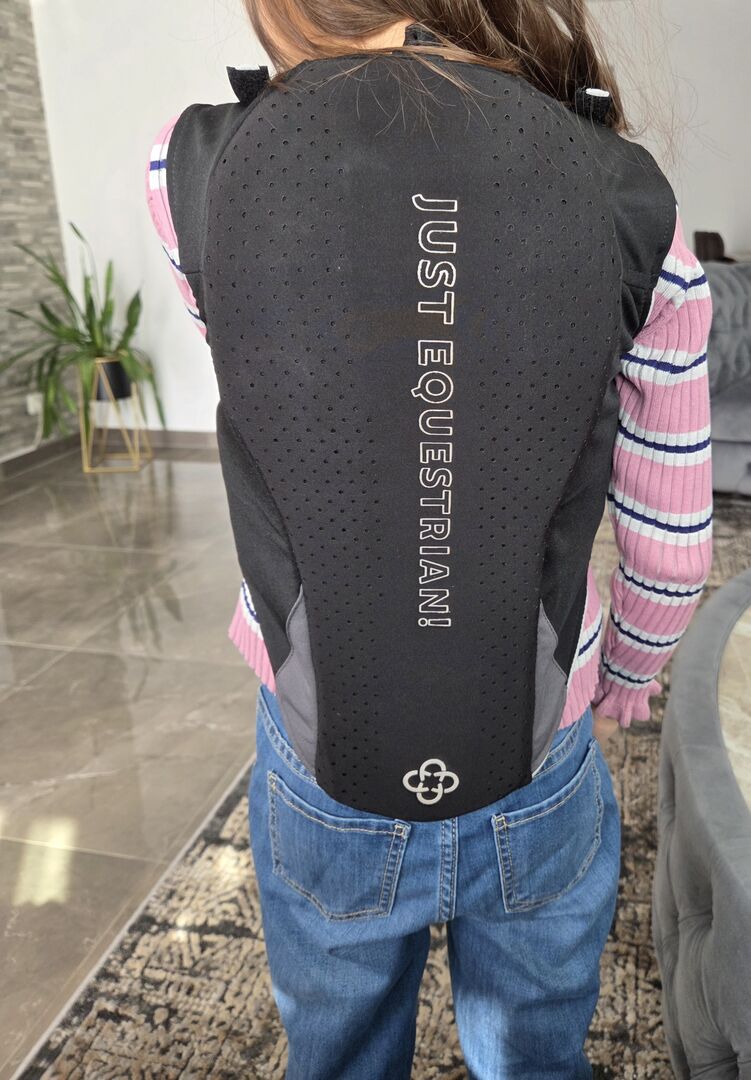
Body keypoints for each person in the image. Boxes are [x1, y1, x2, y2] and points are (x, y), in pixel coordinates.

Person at [146, 4, 713, 1077]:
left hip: (318, 741)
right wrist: (627, 677)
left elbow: (275, 380)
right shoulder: (629, 197)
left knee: (340, 1051)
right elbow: (675, 548)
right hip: (540, 732)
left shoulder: (191, 170)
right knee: (535, 1052)